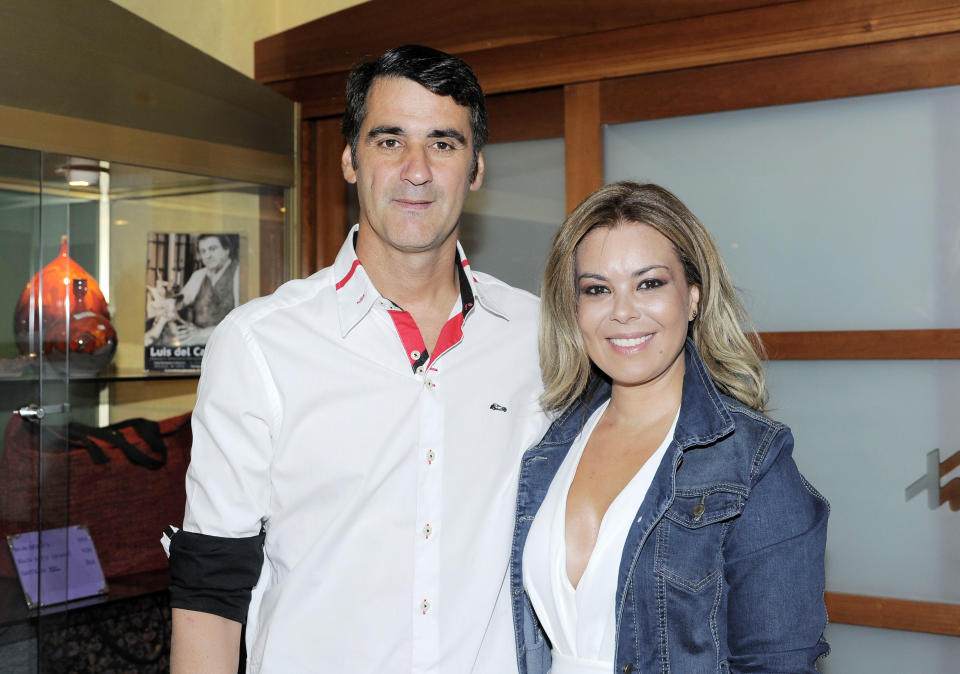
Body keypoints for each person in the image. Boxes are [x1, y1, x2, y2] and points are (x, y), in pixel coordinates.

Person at [164, 45, 547, 672]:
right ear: (350, 158)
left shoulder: (538, 337)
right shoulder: (259, 343)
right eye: (390, 140)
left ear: (476, 168)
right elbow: (212, 582)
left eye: (444, 144)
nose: (416, 170)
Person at [510, 182, 829, 673]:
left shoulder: (752, 461)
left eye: (649, 283)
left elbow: (777, 663)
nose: (622, 311)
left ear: (694, 296)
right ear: (574, 309)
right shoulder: (547, 444)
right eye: (597, 289)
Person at [145, 234, 240, 346]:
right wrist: (167, 298)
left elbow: (240, 320)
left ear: (226, 250)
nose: (207, 255)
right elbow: (182, 300)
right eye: (203, 251)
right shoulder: (199, 274)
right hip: (199, 339)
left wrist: (202, 333)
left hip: (227, 339)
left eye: (212, 249)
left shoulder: (238, 272)